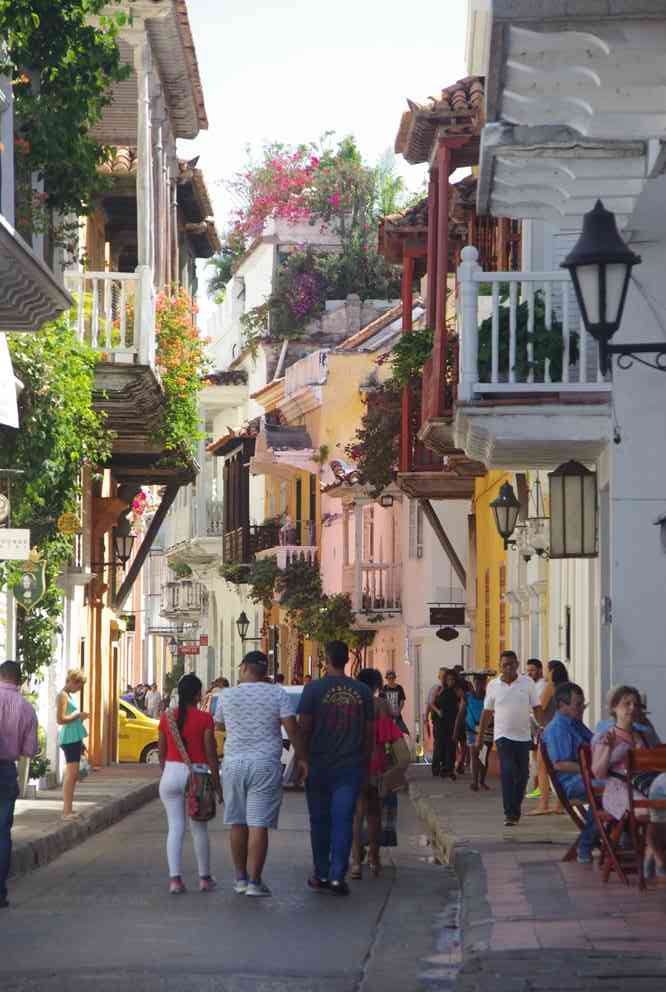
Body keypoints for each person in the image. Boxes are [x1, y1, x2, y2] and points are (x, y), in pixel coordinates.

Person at [218, 651, 304, 897]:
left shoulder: (227, 695)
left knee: (237, 822)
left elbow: (219, 724)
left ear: (244, 667)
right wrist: (302, 758)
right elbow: (292, 728)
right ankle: (255, 882)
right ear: (265, 671)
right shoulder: (277, 693)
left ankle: (240, 879)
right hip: (265, 764)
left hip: (234, 764)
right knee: (258, 824)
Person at [298, 640, 375, 895]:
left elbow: (304, 728)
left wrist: (303, 760)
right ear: (346, 660)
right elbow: (368, 734)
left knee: (320, 821)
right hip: (350, 766)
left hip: (319, 765)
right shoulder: (362, 691)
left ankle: (321, 872)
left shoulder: (313, 690)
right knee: (344, 820)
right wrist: (364, 765)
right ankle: (337, 876)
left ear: (326, 659)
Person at [591, 685, 666, 878]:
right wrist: (608, 749)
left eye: (636, 704)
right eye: (627, 703)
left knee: (659, 806)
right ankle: (657, 858)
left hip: (644, 785)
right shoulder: (606, 736)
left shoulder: (644, 734)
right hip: (617, 790)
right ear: (614, 708)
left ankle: (652, 853)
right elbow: (598, 774)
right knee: (653, 810)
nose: (632, 708)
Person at [158, 673, 222, 895]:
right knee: (199, 827)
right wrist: (217, 784)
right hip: (196, 775)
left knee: (175, 828)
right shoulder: (205, 719)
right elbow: (211, 754)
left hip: (171, 773)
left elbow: (162, 752)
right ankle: (204, 878)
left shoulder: (167, 717)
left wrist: (168, 772)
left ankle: (175, 880)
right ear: (197, 694)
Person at [477, 651, 544, 826]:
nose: (508, 668)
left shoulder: (527, 683)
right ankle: (509, 813)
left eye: (511, 664)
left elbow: (536, 707)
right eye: (504, 665)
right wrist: (480, 737)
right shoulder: (493, 686)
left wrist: (542, 726)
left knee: (523, 774)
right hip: (502, 736)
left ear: (517, 664)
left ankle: (515, 808)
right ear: (500, 666)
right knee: (508, 770)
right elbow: (486, 712)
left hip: (523, 737)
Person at [351, 669, 403, 879]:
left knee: (357, 815)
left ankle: (355, 863)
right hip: (377, 763)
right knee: (374, 815)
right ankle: (374, 858)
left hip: (355, 763)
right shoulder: (380, 704)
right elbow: (389, 729)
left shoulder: (351, 704)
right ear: (376, 686)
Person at [542, 682, 599, 864]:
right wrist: (590, 769)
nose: (582, 708)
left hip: (586, 776)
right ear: (562, 705)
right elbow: (560, 764)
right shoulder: (557, 728)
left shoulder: (575, 724)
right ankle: (586, 844)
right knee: (608, 792)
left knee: (620, 789)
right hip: (571, 782)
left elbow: (595, 745)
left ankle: (619, 838)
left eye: (583, 704)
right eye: (578, 704)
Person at [0, 661, 38, 909]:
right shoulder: (26, 708)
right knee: (3, 833)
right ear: (20, 680)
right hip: (6, 772)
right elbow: (30, 749)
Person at [527, 660, 570, 814]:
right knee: (560, 769)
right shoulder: (567, 688)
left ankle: (543, 804)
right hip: (564, 731)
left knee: (542, 768)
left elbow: (540, 707)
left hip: (549, 731)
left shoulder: (550, 687)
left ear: (552, 672)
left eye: (547, 670)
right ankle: (560, 805)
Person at [56, 668, 89, 820]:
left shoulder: (68, 695)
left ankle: (68, 809)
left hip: (74, 737)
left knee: (73, 775)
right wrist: (77, 715)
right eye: (79, 686)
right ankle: (66, 811)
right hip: (69, 738)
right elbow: (60, 719)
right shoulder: (63, 695)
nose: (79, 689)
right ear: (73, 682)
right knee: (71, 775)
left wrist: (79, 717)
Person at [455, 674, 493, 792]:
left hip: (488, 729)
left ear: (485, 683)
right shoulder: (467, 697)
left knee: (484, 757)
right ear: (474, 682)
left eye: (482, 681)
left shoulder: (490, 696)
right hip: (471, 730)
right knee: (474, 755)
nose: (479, 684)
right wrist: (455, 732)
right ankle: (475, 782)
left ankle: (482, 781)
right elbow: (461, 715)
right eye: (477, 681)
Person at [428, 669, 461, 780]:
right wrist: (438, 711)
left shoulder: (456, 691)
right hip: (440, 721)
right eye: (448, 679)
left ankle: (448, 769)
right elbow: (431, 703)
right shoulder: (439, 689)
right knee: (439, 745)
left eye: (452, 679)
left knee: (451, 745)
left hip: (452, 720)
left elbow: (461, 703)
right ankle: (436, 768)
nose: (450, 681)